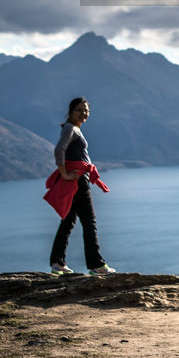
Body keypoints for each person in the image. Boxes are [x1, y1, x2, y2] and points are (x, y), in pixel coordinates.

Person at [50, 96, 116, 276]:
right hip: (78, 181)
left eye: (86, 110)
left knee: (68, 222)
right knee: (89, 222)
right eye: (79, 110)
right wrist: (64, 173)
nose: (83, 113)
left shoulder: (74, 129)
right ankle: (96, 265)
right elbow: (59, 150)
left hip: (77, 179)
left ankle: (57, 263)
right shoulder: (70, 129)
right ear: (71, 111)